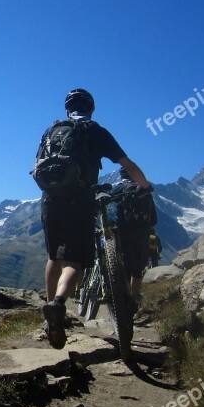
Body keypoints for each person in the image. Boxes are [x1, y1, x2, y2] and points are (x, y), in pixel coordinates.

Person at [34, 88, 151, 349]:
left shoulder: (52, 132)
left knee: (54, 257)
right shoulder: (95, 131)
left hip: (50, 200)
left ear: (67, 109)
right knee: (74, 261)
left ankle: (49, 313)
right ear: (91, 109)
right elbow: (127, 165)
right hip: (80, 200)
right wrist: (143, 186)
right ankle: (59, 304)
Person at [112, 168, 157, 312]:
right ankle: (135, 297)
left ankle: (124, 298)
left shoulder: (120, 187)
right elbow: (154, 219)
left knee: (125, 266)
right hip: (143, 233)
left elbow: (107, 200)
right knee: (138, 268)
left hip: (124, 232)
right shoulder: (144, 190)